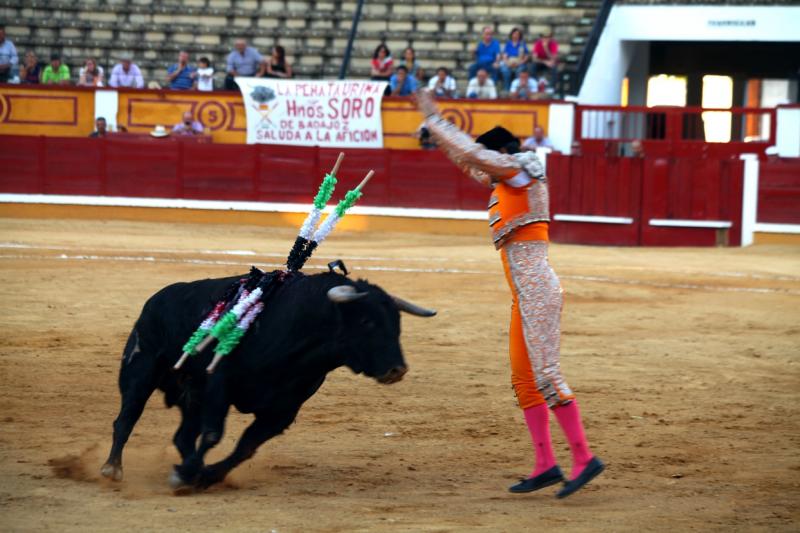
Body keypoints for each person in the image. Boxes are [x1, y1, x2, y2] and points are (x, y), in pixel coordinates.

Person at [414, 88, 604, 499]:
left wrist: (437, 120)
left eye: (490, 156)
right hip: (523, 295)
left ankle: (584, 458)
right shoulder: (506, 179)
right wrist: (438, 140)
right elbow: (472, 162)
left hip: (537, 290)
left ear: (502, 152)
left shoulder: (522, 171)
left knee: (547, 375)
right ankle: (545, 464)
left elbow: (480, 158)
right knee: (524, 380)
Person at [500, 27, 529, 92]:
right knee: (505, 70)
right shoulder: (508, 43)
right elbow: (504, 55)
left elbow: (526, 55)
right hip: (509, 62)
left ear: (520, 36)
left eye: (518, 34)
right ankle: (506, 90)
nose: (516, 35)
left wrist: (520, 62)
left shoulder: (522, 43)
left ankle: (516, 90)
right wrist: (507, 63)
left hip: (519, 62)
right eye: (514, 34)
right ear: (512, 34)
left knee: (519, 71)